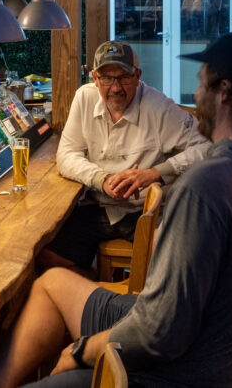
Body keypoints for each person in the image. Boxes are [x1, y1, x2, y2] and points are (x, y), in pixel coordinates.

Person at [0, 32, 232, 387]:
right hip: (211, 339)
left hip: (181, 370)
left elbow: (157, 335)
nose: (196, 95)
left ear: (223, 93)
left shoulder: (205, 187)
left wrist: (81, 351)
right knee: (52, 284)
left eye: (201, 83)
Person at [41, 40, 211, 274]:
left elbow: (208, 147)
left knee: (170, 268)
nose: (115, 88)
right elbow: (66, 154)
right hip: (98, 207)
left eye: (124, 77)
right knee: (45, 259)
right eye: (107, 78)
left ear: (137, 75)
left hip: (145, 212)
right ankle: (96, 291)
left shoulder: (159, 106)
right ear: (94, 78)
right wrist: (101, 179)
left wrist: (155, 173)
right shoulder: (84, 97)